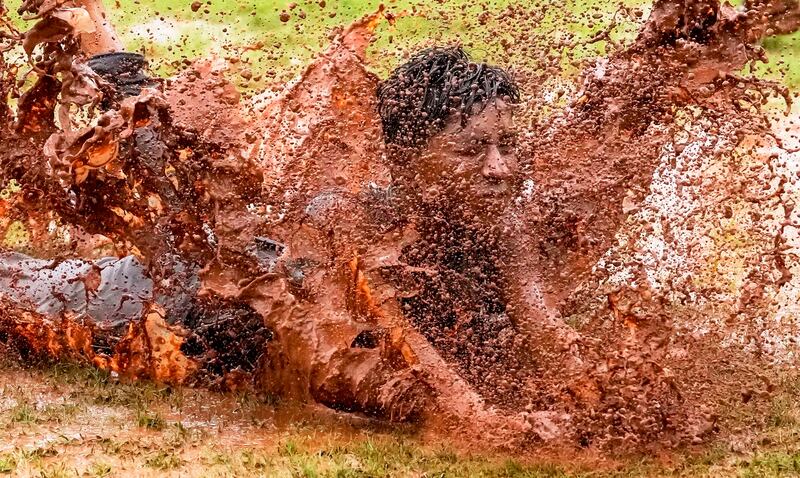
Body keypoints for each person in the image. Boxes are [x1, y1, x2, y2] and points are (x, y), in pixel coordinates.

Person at [374, 46, 532, 407]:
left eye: (506, 146)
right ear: (403, 161)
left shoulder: (507, 229)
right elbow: (408, 349)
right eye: (471, 150)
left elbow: (538, 321)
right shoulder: (355, 226)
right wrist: (483, 422)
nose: (499, 169)